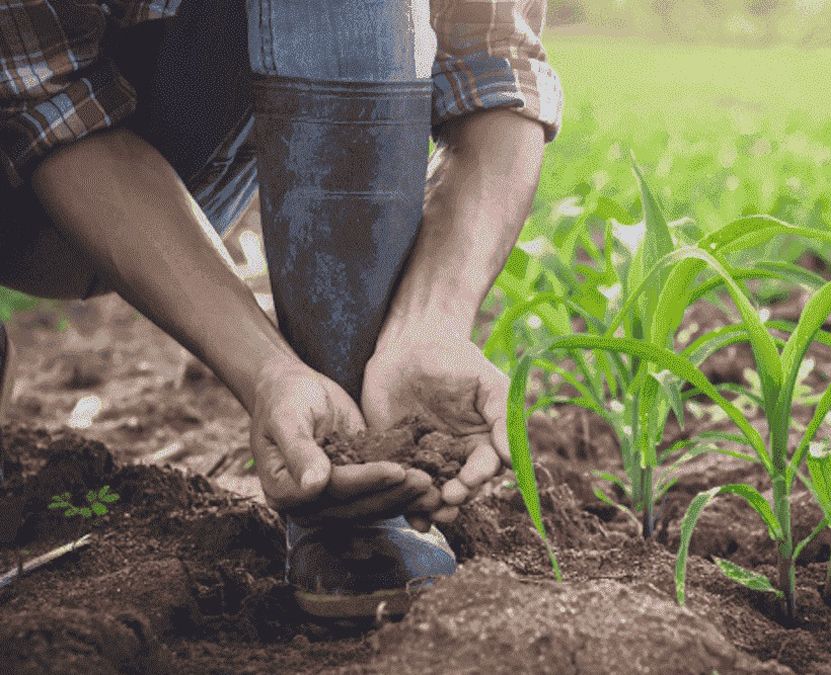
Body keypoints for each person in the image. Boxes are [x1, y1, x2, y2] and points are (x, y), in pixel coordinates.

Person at [0, 0, 561, 617]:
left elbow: (497, 67)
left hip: (159, 138)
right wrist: (260, 365)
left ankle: (346, 445)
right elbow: (41, 102)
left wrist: (431, 325)